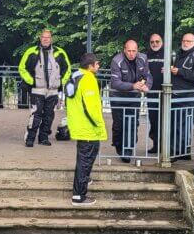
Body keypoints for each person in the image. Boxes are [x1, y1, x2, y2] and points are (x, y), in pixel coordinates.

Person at [17, 29, 71, 147]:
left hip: (53, 90)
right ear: (40, 38)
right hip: (37, 89)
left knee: (49, 115)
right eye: (43, 37)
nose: (46, 39)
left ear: (51, 39)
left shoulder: (60, 52)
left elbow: (67, 69)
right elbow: (22, 68)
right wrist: (32, 81)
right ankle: (30, 138)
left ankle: (43, 138)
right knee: (36, 114)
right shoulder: (31, 51)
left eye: (48, 37)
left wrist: (61, 81)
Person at [66, 52, 106, 206]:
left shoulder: (75, 76)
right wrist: (99, 123)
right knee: (85, 160)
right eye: (97, 63)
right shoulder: (89, 79)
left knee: (82, 159)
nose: (99, 65)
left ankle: (83, 181)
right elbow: (92, 107)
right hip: (89, 127)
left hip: (79, 125)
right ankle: (78, 196)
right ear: (90, 66)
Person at [108, 39, 152, 162]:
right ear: (124, 50)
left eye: (134, 51)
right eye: (129, 51)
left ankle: (127, 150)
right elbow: (115, 83)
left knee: (132, 123)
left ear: (137, 50)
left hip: (134, 98)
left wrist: (147, 86)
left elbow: (147, 75)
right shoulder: (117, 60)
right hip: (117, 97)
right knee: (119, 125)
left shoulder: (143, 58)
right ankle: (118, 144)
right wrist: (133, 86)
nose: (132, 53)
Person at [169, 33, 194, 161]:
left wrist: (179, 72)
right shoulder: (178, 55)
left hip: (187, 96)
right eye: (184, 40)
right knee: (176, 124)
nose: (185, 43)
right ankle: (184, 151)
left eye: (189, 41)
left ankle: (177, 152)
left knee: (181, 125)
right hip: (175, 95)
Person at [144, 33, 165, 153]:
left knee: (166, 120)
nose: (155, 44)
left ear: (162, 42)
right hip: (151, 94)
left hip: (165, 93)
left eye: (157, 41)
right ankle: (156, 145)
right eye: (152, 42)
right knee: (154, 119)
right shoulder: (146, 55)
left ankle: (166, 146)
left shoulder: (169, 55)